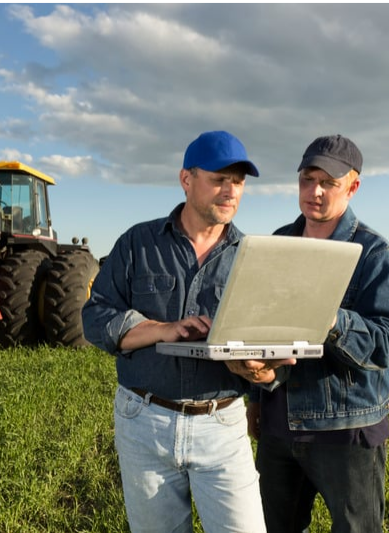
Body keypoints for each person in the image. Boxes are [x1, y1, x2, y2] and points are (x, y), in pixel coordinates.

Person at [82, 130, 290, 533]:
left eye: (239, 182)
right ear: (186, 179)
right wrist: (163, 329)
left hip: (222, 424)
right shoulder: (138, 244)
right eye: (219, 179)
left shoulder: (253, 260)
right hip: (144, 420)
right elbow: (95, 318)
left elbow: (268, 354)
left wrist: (261, 372)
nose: (230, 191)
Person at [245, 134, 389, 533]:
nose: (314, 192)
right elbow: (255, 328)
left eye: (328, 183)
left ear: (353, 187)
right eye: (306, 179)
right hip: (279, 429)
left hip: (346, 432)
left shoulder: (375, 255)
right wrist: (255, 398)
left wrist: (330, 318)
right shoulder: (277, 244)